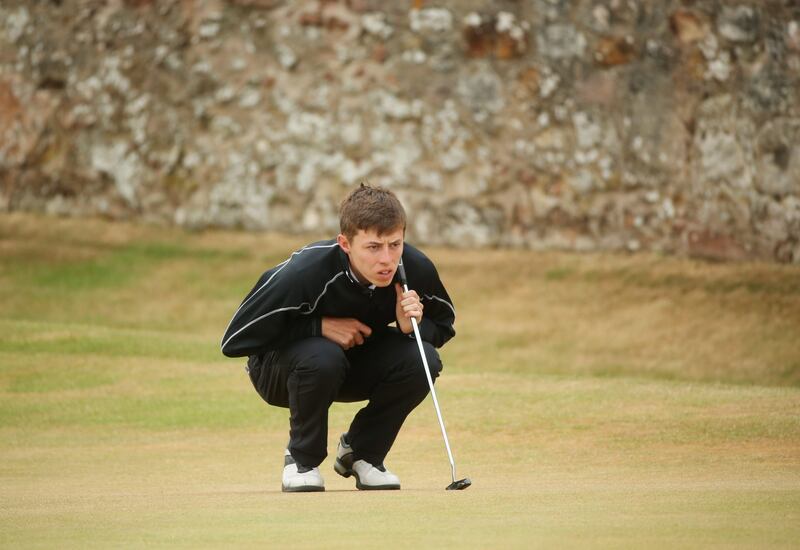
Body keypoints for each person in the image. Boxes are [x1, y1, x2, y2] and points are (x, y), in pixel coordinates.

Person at [221, 184, 456, 492]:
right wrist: (318, 327)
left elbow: (444, 327)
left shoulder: (414, 268)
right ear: (345, 243)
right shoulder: (305, 271)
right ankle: (301, 461)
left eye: (395, 244)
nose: (387, 259)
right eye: (373, 247)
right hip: (279, 372)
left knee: (423, 357)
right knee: (322, 355)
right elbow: (236, 341)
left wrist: (410, 327)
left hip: (348, 364)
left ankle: (362, 454)